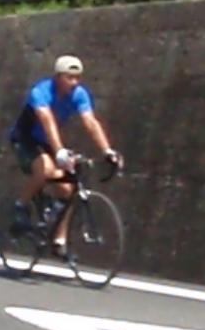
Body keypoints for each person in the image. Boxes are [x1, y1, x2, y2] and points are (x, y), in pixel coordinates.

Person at [8, 54, 122, 250]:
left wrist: (107, 151)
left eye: (78, 77)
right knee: (45, 169)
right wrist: (60, 150)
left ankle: (59, 240)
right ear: (58, 77)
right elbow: (47, 120)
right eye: (70, 77)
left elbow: (90, 122)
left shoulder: (79, 94)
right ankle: (20, 206)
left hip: (47, 142)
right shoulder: (41, 91)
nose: (75, 82)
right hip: (25, 140)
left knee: (69, 190)